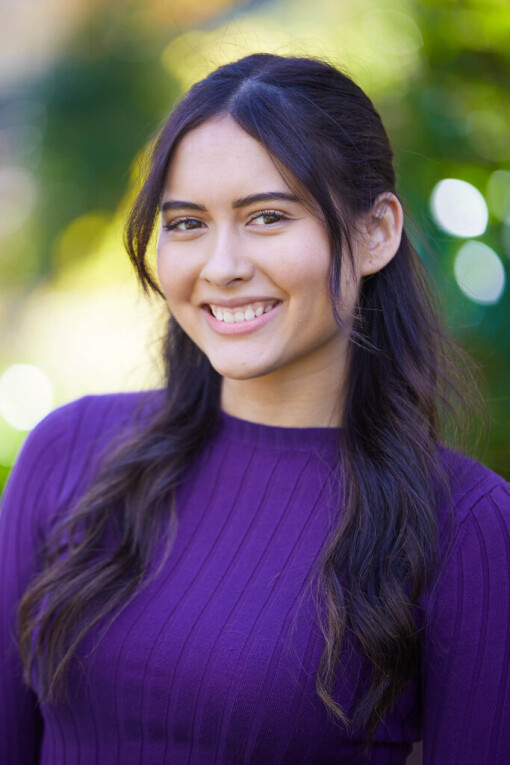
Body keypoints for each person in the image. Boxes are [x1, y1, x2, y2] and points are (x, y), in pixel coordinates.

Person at [1, 53, 509, 765]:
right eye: (185, 224)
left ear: (376, 233)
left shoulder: (468, 525)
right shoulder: (68, 451)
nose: (221, 265)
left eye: (267, 216)